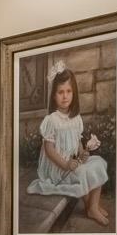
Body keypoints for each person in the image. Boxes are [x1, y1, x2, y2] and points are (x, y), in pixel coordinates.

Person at [28, 64, 110, 226]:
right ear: (54, 96)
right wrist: (65, 164)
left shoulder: (75, 118)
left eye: (68, 91)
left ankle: (91, 205)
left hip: (73, 162)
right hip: (59, 167)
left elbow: (77, 141)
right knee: (83, 172)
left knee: (98, 163)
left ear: (74, 93)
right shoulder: (52, 120)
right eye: (60, 92)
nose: (65, 96)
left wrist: (82, 153)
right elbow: (49, 150)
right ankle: (92, 208)